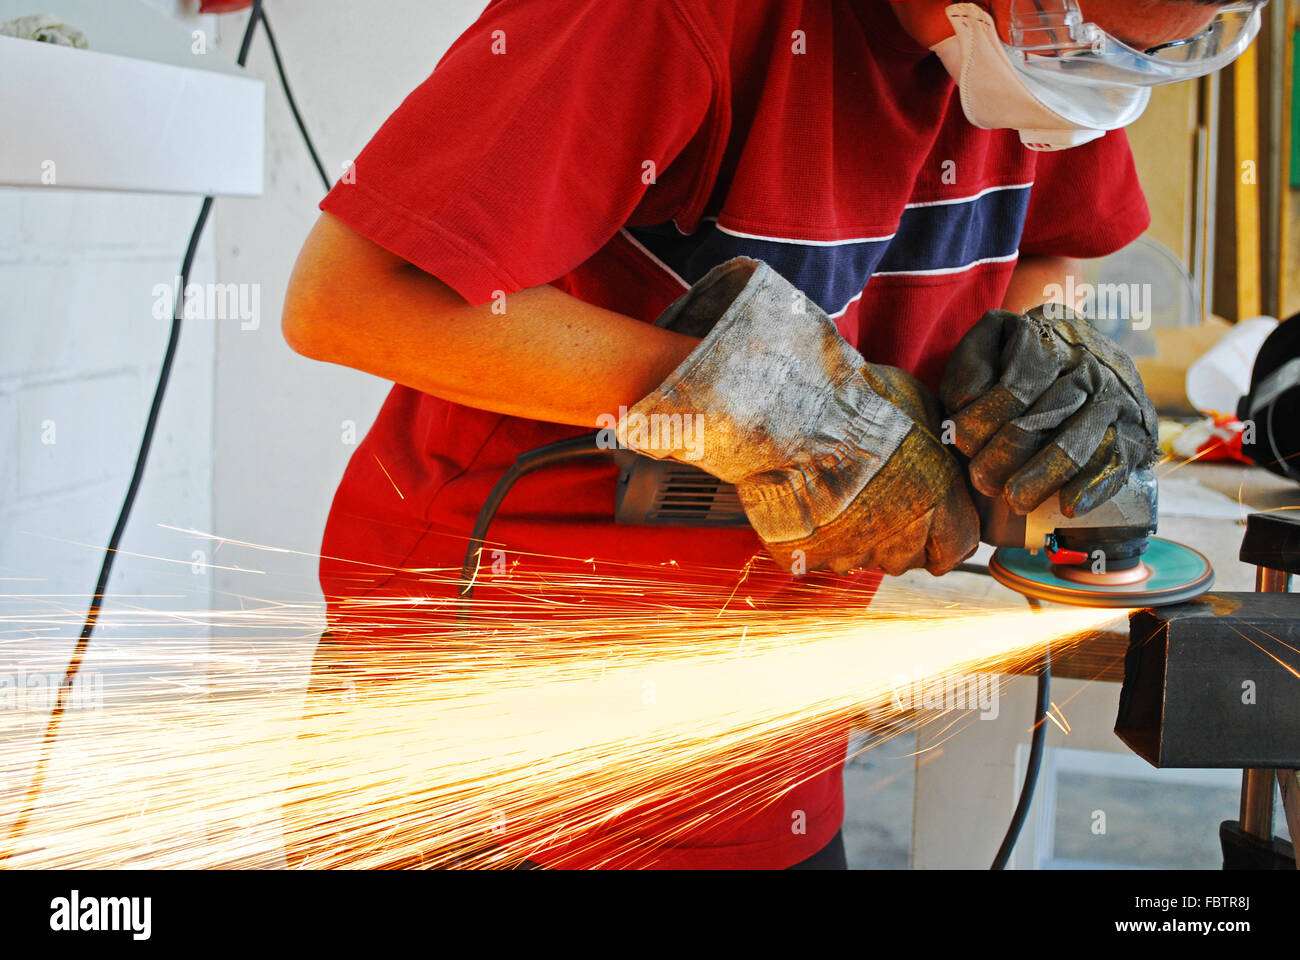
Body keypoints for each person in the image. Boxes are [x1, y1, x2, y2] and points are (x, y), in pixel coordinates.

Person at [281, 0, 1263, 868]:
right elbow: (353, 298)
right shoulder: (670, 18)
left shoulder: (1045, 65)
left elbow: (1050, 241)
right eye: (1087, 39)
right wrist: (779, 409)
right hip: (490, 711)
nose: (1104, 83)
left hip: (772, 729)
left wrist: (1048, 342)